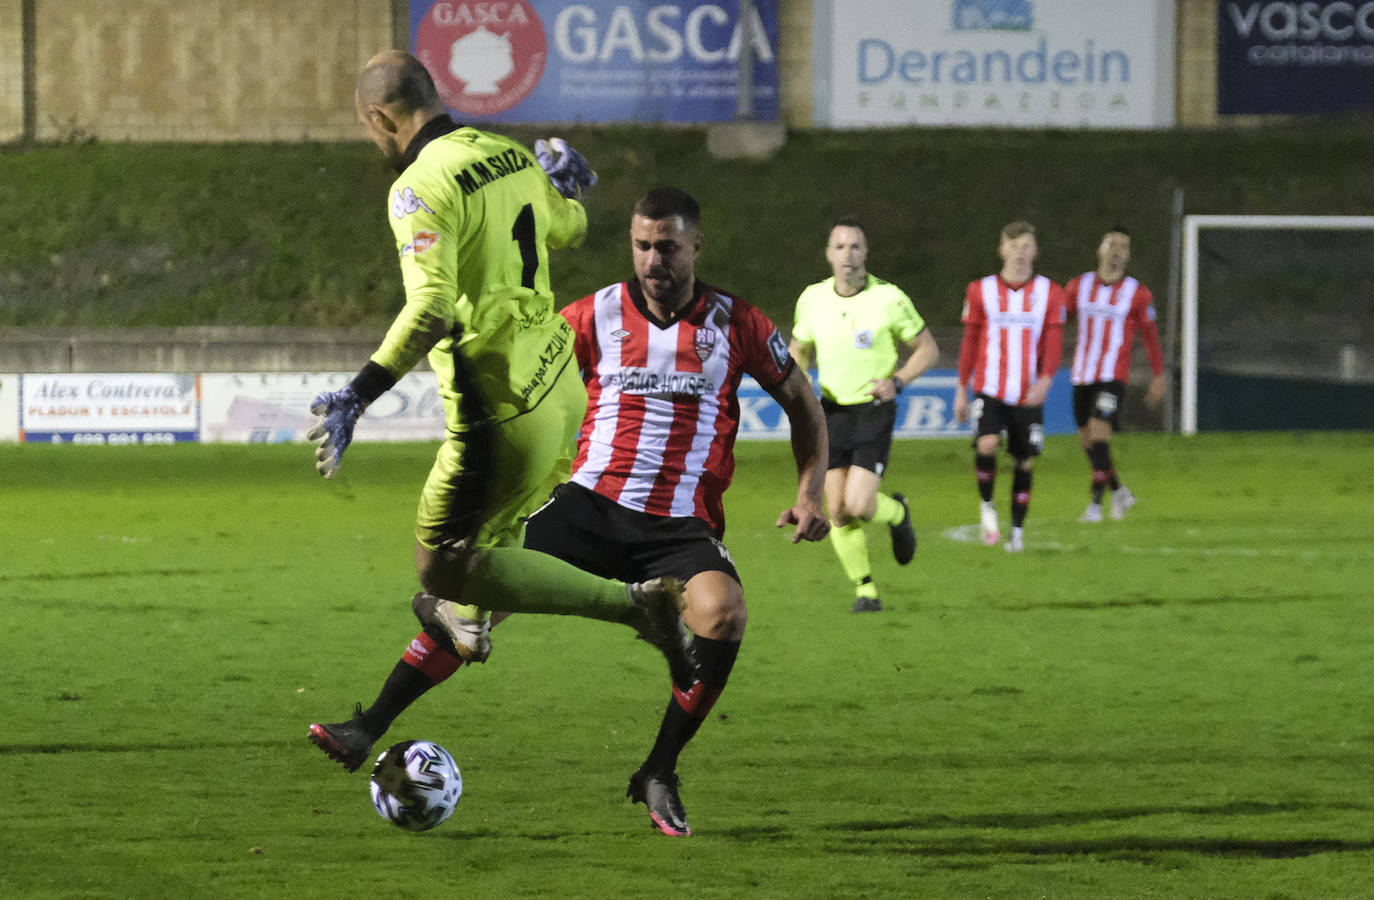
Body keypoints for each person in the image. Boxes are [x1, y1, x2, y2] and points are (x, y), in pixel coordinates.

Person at [312, 184, 831, 839]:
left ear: (695, 247)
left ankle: (659, 771)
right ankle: (367, 728)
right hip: (589, 504)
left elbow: (803, 405)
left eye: (666, 247)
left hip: (679, 526)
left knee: (723, 613)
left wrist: (809, 492)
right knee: (473, 597)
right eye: (642, 245)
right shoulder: (595, 315)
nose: (652, 260)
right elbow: (535, 388)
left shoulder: (738, 324)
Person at [306, 52, 696, 773]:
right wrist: (565, 187)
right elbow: (570, 228)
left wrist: (359, 392)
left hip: (500, 415)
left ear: (380, 119)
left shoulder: (417, 187)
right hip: (560, 388)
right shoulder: (509, 155)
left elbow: (428, 305)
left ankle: (635, 607)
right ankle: (442, 653)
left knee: (440, 566)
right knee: (485, 563)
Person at [788, 216, 938, 612]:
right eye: (840, 247)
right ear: (828, 254)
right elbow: (797, 350)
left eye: (855, 247)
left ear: (865, 253)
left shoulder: (889, 298)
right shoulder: (813, 299)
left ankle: (897, 512)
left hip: (873, 409)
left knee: (857, 504)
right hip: (831, 412)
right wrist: (802, 391)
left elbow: (927, 348)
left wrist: (898, 381)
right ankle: (865, 590)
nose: (848, 255)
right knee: (835, 510)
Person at [953, 221, 1066, 553]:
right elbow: (970, 341)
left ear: (1035, 251)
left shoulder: (1050, 292)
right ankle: (987, 507)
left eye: (1026, 246)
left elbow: (1053, 342)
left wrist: (1046, 379)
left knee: (1023, 460)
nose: (1020, 252)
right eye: (1014, 245)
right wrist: (962, 387)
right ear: (1002, 250)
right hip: (990, 389)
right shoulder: (980, 290)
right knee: (986, 444)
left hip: (1028, 393)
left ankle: (1016, 531)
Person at [1063, 227, 1166, 522]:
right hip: (1082, 375)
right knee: (1087, 442)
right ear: (1100, 249)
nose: (1118, 250)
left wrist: (1158, 376)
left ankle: (1095, 505)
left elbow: (1151, 336)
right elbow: (1058, 322)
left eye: (1124, 246)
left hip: (1113, 376)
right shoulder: (1078, 286)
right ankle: (1120, 491)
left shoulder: (1138, 293)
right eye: (1113, 243)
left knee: (1098, 432)